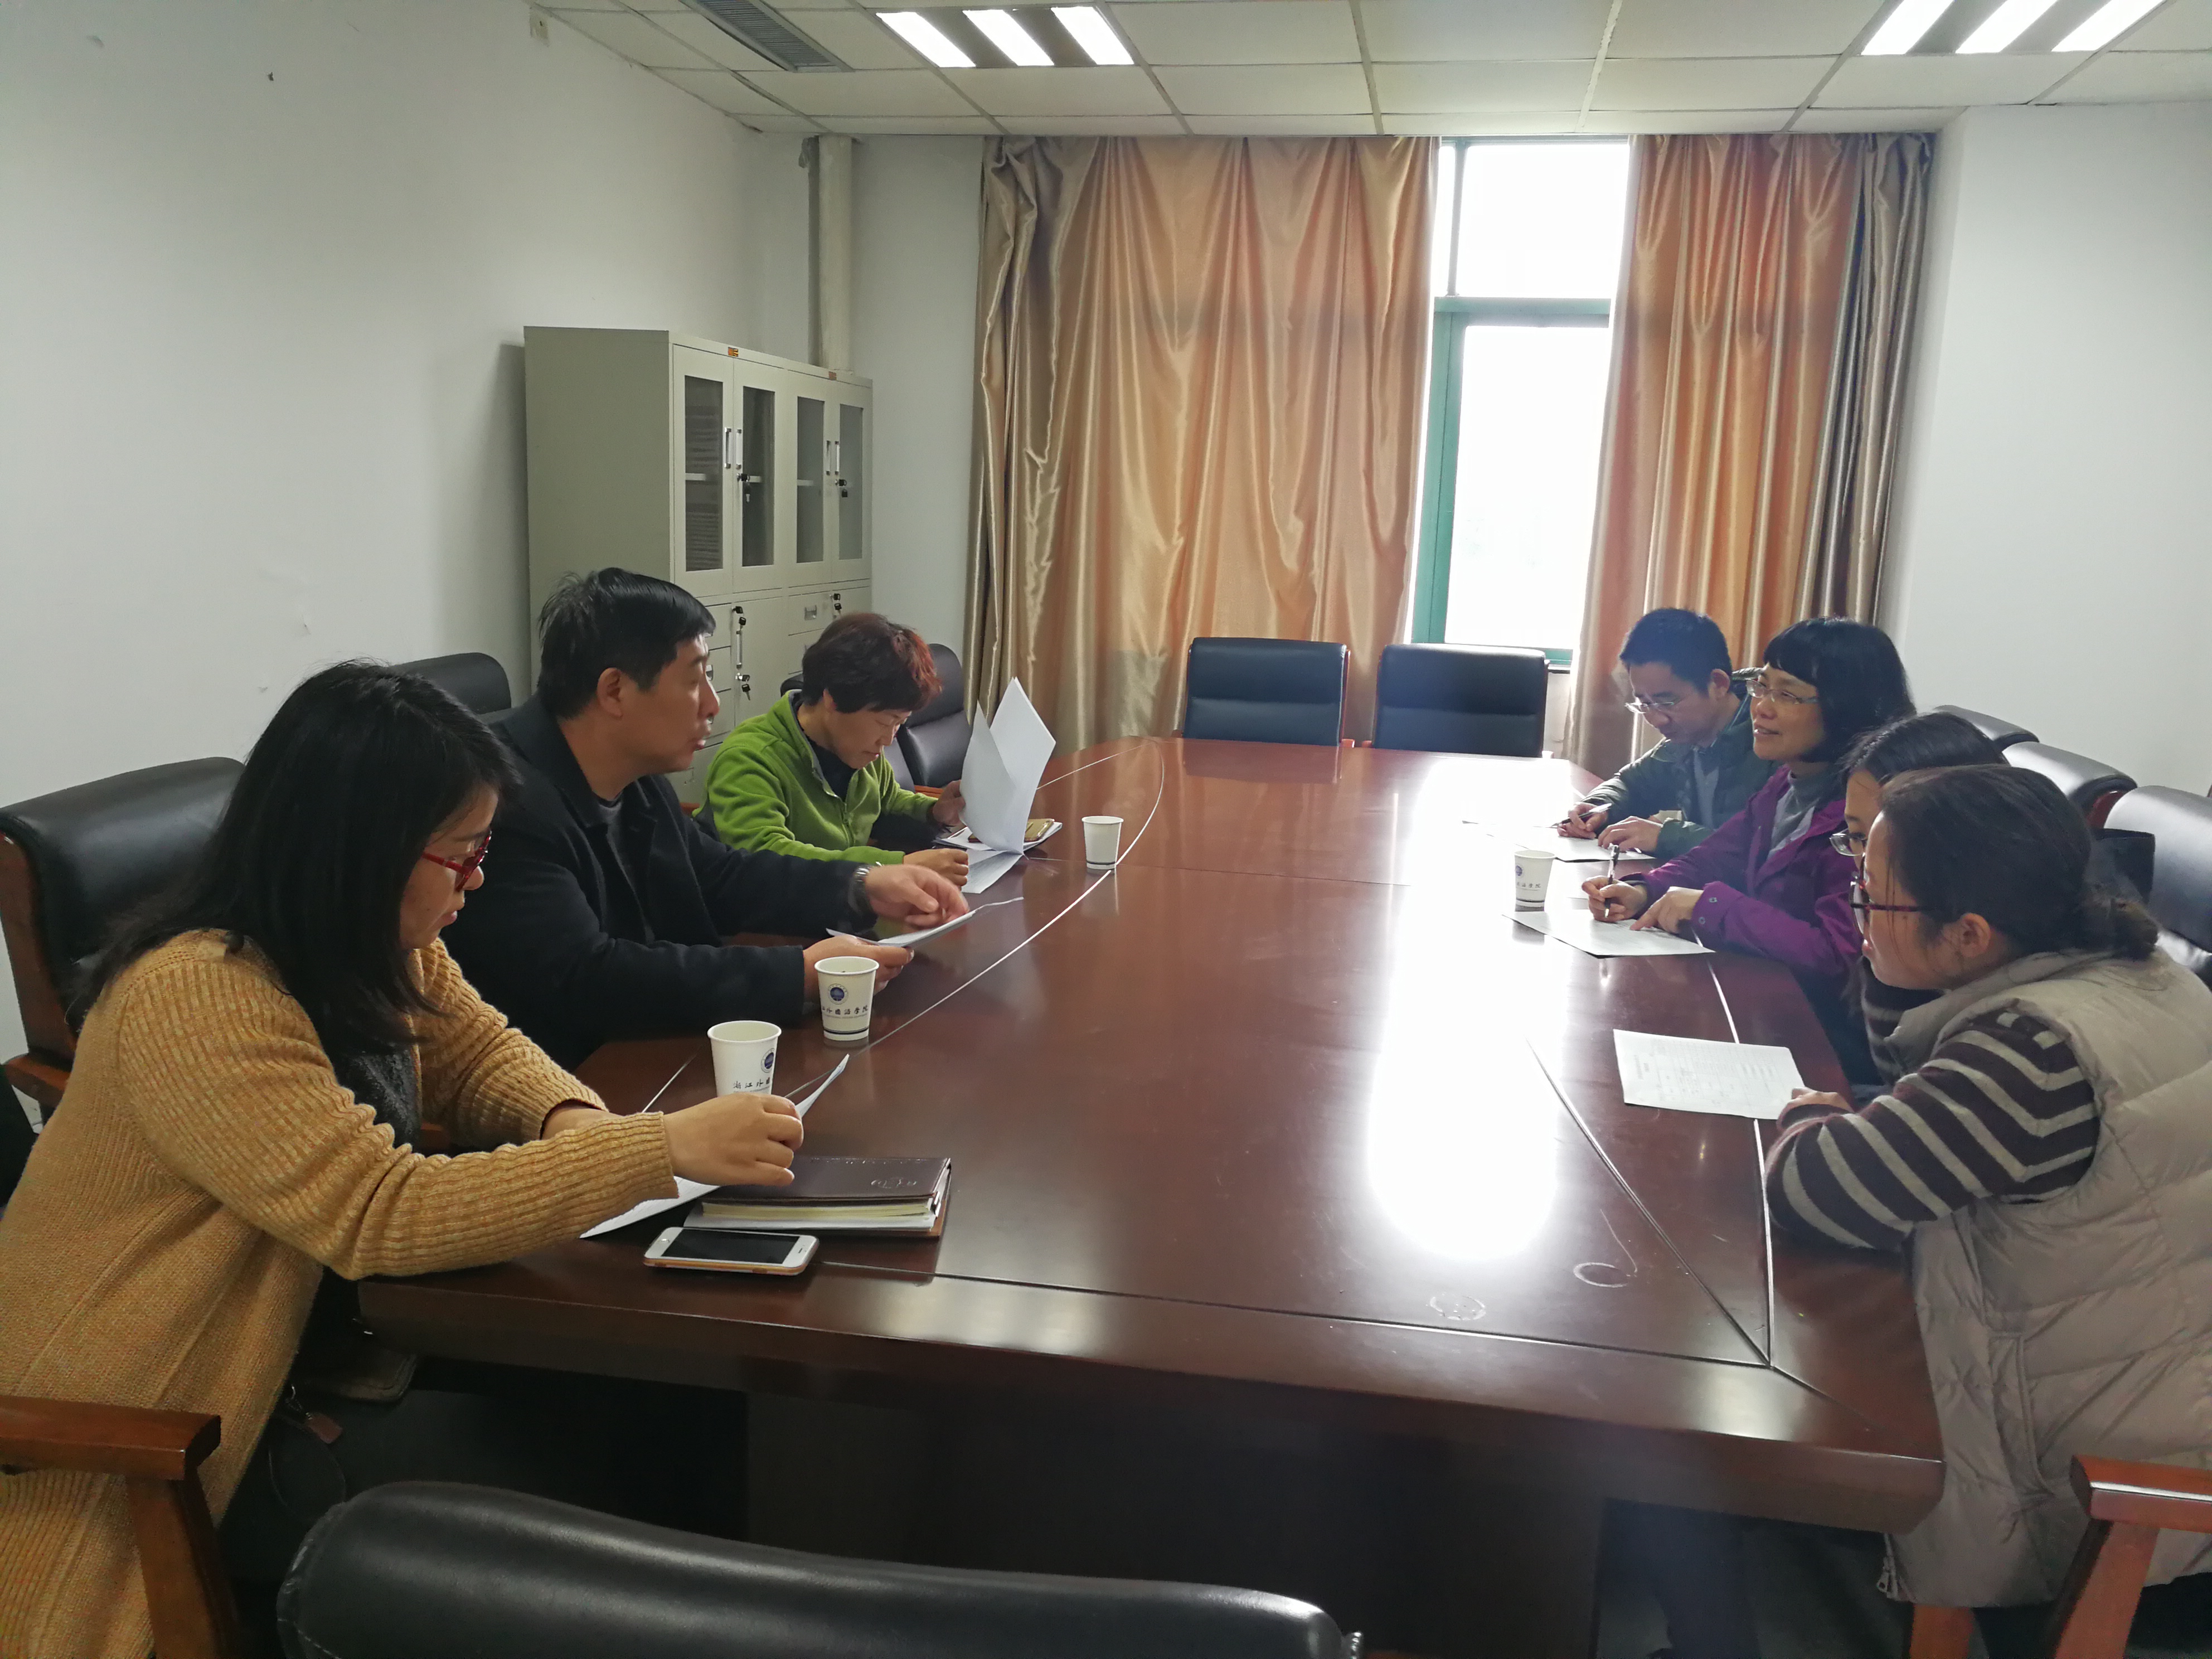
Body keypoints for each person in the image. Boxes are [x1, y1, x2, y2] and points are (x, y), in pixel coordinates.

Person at [0, 663, 812, 1659]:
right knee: (593, 1501)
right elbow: (377, 1214)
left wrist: (571, 1119)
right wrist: (657, 1148)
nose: (478, 880)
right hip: (174, 1434)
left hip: (327, 1351)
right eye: (463, 855)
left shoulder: (368, 934)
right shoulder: (197, 995)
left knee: (679, 1403)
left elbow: (473, 1050)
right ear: (361, 850)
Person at [1765, 765, 2212, 1655]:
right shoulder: (2136, 974)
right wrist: (1901, 960)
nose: (1856, 911)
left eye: (1871, 897)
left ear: (1970, 934)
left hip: (2099, 1500)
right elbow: (1914, 1087)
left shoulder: (2034, 1053)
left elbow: (1821, 1188)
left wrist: (1809, 1116)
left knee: (1746, 1478)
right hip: (2120, 1401)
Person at [442, 570, 966, 1068]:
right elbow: (589, 978)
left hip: (659, 1042)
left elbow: (719, 874)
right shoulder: (503, 805)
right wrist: (796, 974)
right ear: (615, 691)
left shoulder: (636, 776)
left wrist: (861, 886)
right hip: (577, 1081)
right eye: (696, 680)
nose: (713, 705)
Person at [1582, 616, 1912, 996]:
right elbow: (1718, 856)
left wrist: (1712, 907)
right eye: (1762, 687)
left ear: (1846, 706)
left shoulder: (1865, 814)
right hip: (1768, 987)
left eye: (1787, 695)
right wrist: (1643, 890)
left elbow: (1840, 955)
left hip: (1820, 1015)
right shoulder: (1787, 782)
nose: (1761, 709)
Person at [705, 612, 968, 883]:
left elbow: (888, 801)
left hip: (844, 900)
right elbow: (765, 858)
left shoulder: (860, 748)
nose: (889, 740)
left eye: (899, 724)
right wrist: (892, 866)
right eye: (884, 722)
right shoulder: (749, 758)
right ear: (833, 699)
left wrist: (934, 811)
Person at [1833, 712, 2009, 1086]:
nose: (1866, 865)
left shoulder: (1997, 965)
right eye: (1858, 837)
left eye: (1887, 840)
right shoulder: (1888, 909)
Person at [1557, 608, 1773, 857]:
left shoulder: (1772, 744)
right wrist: (1600, 807)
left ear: (1718, 684)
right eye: (1644, 703)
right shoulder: (1685, 742)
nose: (1656, 719)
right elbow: (1631, 785)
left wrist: (1666, 837)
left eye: (1667, 702)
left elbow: (1769, 851)